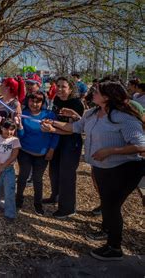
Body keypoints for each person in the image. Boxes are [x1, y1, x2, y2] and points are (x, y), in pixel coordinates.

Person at [41, 81, 145, 261]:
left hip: (125, 169)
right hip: (102, 168)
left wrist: (111, 151)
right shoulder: (92, 113)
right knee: (107, 204)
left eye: (96, 91)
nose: (92, 93)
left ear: (107, 97)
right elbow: (74, 127)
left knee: (111, 206)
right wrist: (53, 124)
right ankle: (107, 230)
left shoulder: (124, 117)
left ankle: (114, 248)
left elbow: (141, 145)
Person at [43, 76, 84, 219]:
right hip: (57, 140)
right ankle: (55, 196)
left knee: (67, 175)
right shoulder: (57, 100)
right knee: (54, 171)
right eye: (58, 86)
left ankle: (67, 208)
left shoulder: (76, 104)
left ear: (71, 89)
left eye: (63, 87)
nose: (59, 89)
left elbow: (73, 129)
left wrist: (53, 125)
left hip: (71, 142)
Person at [15, 92, 59, 215]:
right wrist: (19, 126)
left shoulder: (49, 115)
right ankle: (18, 201)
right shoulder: (23, 115)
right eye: (32, 101)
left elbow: (55, 135)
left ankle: (37, 204)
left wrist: (51, 150)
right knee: (23, 177)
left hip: (42, 154)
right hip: (25, 152)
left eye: (38, 101)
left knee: (37, 179)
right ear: (28, 101)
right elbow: (22, 136)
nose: (34, 104)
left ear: (42, 102)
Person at [0, 119, 20, 221]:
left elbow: (13, 156)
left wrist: (3, 166)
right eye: (6, 129)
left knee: (9, 191)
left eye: (12, 130)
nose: (9, 132)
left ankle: (10, 213)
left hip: (8, 170)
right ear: (1, 128)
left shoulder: (15, 141)